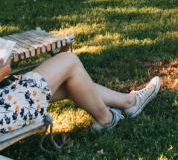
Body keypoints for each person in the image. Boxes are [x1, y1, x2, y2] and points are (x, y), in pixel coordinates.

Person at [0, 52, 161, 135]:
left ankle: (129, 102)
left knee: (68, 79)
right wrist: (4, 68)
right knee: (69, 60)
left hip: (5, 98)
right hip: (6, 110)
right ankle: (107, 118)